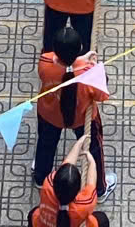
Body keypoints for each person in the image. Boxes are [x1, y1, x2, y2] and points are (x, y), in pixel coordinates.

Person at [34, 27, 115, 200]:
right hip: (81, 118)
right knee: (93, 150)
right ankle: (100, 188)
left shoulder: (45, 62)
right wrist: (96, 69)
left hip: (49, 115)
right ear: (79, 49)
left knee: (45, 145)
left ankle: (40, 177)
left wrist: (79, 62)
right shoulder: (89, 73)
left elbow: (63, 67)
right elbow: (102, 95)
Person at [29, 135, 110, 226]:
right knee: (102, 220)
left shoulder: (48, 184)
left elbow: (67, 163)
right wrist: (92, 162)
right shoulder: (83, 205)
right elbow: (91, 184)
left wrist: (78, 143)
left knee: (33, 214)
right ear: (77, 190)